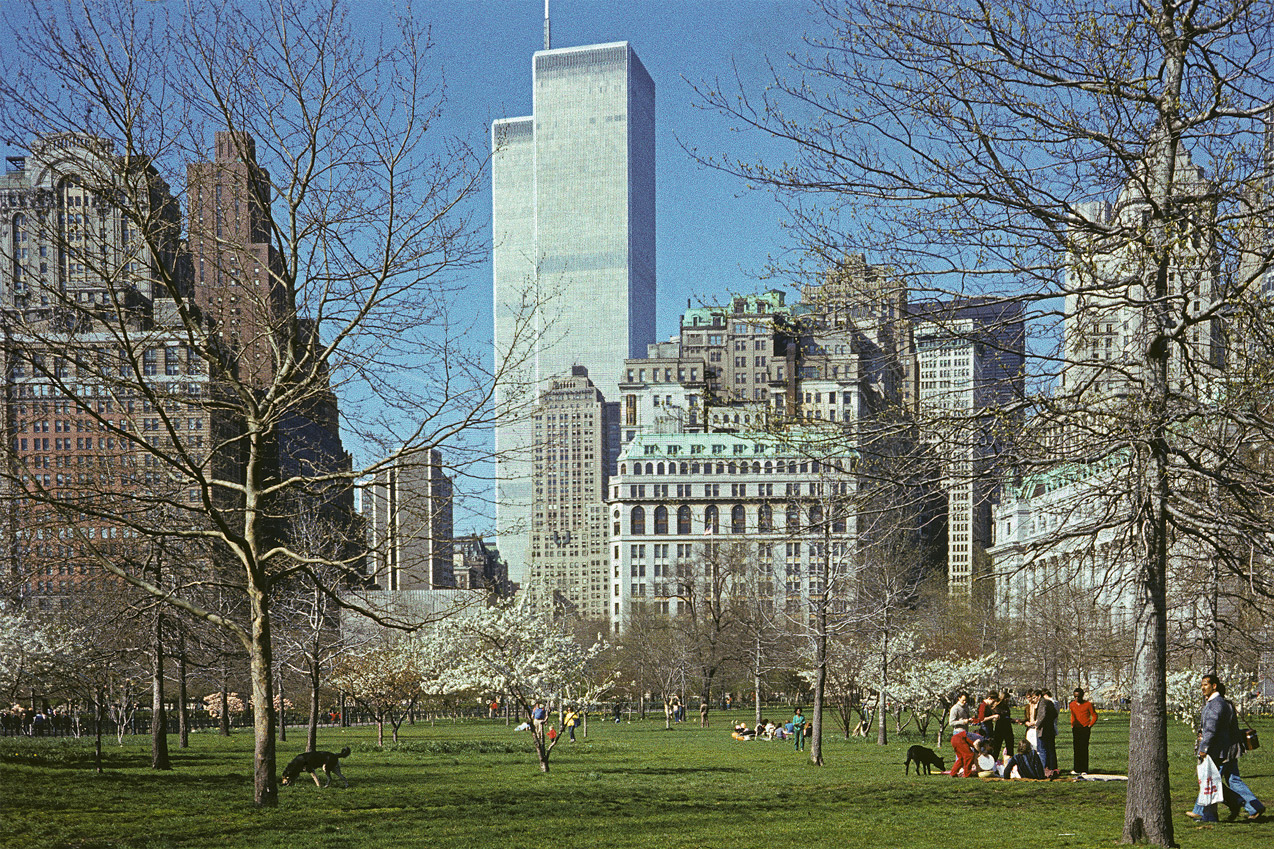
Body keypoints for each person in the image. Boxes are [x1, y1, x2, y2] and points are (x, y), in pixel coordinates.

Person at [1188, 675, 1266, 823]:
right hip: (1229, 749)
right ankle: (1252, 806)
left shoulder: (1216, 704)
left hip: (1220, 751)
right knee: (1233, 780)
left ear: (1214, 686)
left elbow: (1211, 729)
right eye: (1202, 685)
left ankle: (1200, 812)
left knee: (1209, 779)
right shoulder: (1223, 702)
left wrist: (1204, 747)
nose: (1202, 688)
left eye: (1205, 685)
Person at [946, 693, 978, 777]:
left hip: (965, 733)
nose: (964, 702)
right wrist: (963, 721)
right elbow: (951, 722)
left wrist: (970, 720)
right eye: (963, 700)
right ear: (959, 698)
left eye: (965, 700)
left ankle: (955, 772)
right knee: (966, 755)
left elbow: (966, 717)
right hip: (958, 733)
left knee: (961, 756)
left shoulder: (966, 706)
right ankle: (964, 772)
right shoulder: (955, 708)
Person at [1028, 689, 1058, 773]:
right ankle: (1052, 768)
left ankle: (1043, 768)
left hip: (1043, 730)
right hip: (1050, 729)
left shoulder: (1042, 703)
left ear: (1039, 696)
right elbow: (1055, 714)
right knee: (1051, 750)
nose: (1033, 700)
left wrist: (1037, 725)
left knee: (1042, 750)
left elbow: (1043, 715)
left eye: (1034, 697)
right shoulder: (1049, 702)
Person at [1069, 687, 1097, 774]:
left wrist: (1089, 725)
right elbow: (1073, 715)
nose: (1077, 698)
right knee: (1076, 748)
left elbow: (1094, 715)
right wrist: (1072, 725)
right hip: (1076, 728)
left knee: (1083, 748)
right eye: (1075, 697)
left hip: (1085, 728)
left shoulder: (1088, 704)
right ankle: (1077, 769)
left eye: (1078, 696)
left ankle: (1084, 769)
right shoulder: (1072, 704)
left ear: (1082, 696)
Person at [991, 690, 1015, 760]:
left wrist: (1013, 720)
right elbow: (998, 717)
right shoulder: (997, 707)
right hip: (1000, 729)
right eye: (1007, 698)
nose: (1008, 700)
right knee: (997, 747)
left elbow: (1007, 717)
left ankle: (1010, 760)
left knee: (1010, 746)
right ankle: (993, 762)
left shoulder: (1006, 707)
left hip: (1008, 728)